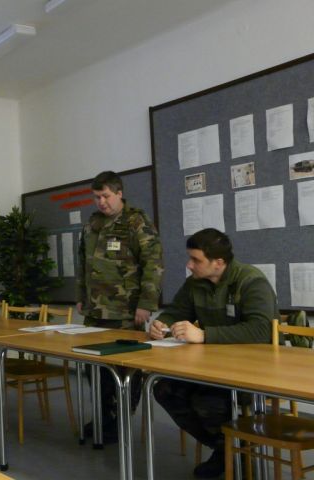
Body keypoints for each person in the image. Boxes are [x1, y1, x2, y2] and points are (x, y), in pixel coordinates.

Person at [149, 228, 278, 479]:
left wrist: (205, 335)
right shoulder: (195, 283)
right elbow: (176, 312)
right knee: (164, 389)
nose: (189, 265)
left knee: (207, 401)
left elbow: (262, 330)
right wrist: (161, 324)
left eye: (195, 260)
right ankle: (227, 450)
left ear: (218, 262)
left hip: (255, 368)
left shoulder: (251, 281)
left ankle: (234, 454)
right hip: (213, 366)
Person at [76, 170, 163, 442]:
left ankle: (121, 418)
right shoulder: (92, 225)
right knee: (95, 369)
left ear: (119, 193)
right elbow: (83, 263)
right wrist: (80, 296)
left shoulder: (136, 222)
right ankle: (104, 417)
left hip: (126, 311)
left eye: (106, 196)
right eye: (96, 197)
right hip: (95, 311)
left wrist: (146, 303)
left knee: (126, 370)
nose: (101, 202)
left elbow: (153, 265)